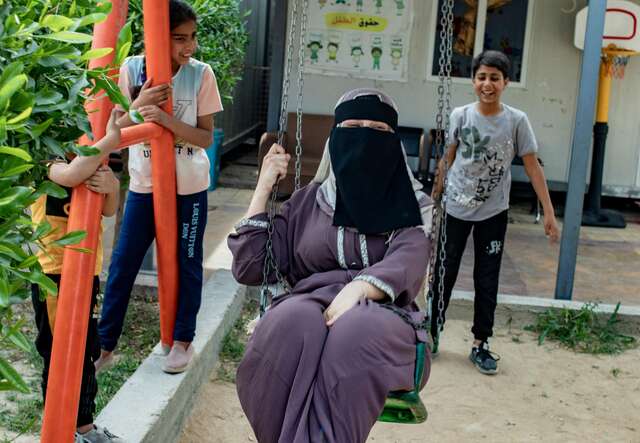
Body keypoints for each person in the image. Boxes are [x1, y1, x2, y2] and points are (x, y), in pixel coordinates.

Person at [228, 88, 433, 443]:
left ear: (395, 142)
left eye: (378, 129)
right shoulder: (308, 202)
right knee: (291, 324)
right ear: (335, 139)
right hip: (308, 304)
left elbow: (410, 255)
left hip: (384, 316)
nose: (365, 135)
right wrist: (262, 189)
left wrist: (360, 287)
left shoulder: (414, 206)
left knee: (356, 331)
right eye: (353, 126)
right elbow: (252, 266)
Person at [96, 0, 224, 374]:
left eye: (193, 37)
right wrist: (138, 104)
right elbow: (116, 130)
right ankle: (105, 345)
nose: (190, 46)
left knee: (187, 263)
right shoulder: (133, 69)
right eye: (180, 38)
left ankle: (182, 340)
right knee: (122, 264)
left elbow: (204, 138)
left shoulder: (201, 74)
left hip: (189, 188)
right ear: (156, 39)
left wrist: (166, 120)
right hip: (144, 184)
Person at [431, 50, 560, 375]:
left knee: (486, 279)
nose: (487, 84)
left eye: (494, 78)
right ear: (473, 81)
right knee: (445, 273)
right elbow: (448, 156)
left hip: (493, 212)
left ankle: (481, 343)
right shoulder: (460, 115)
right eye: (481, 77)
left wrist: (548, 211)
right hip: (455, 208)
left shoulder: (516, 121)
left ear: (506, 82)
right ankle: (431, 333)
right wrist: (437, 190)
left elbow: (532, 166)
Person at [31, 116, 123, 442]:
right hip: (54, 275)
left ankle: (83, 427)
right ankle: (63, 428)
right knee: (58, 352)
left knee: (85, 350)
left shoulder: (90, 155)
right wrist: (110, 141)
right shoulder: (47, 159)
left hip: (87, 272)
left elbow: (108, 210)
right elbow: (70, 175)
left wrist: (113, 187)